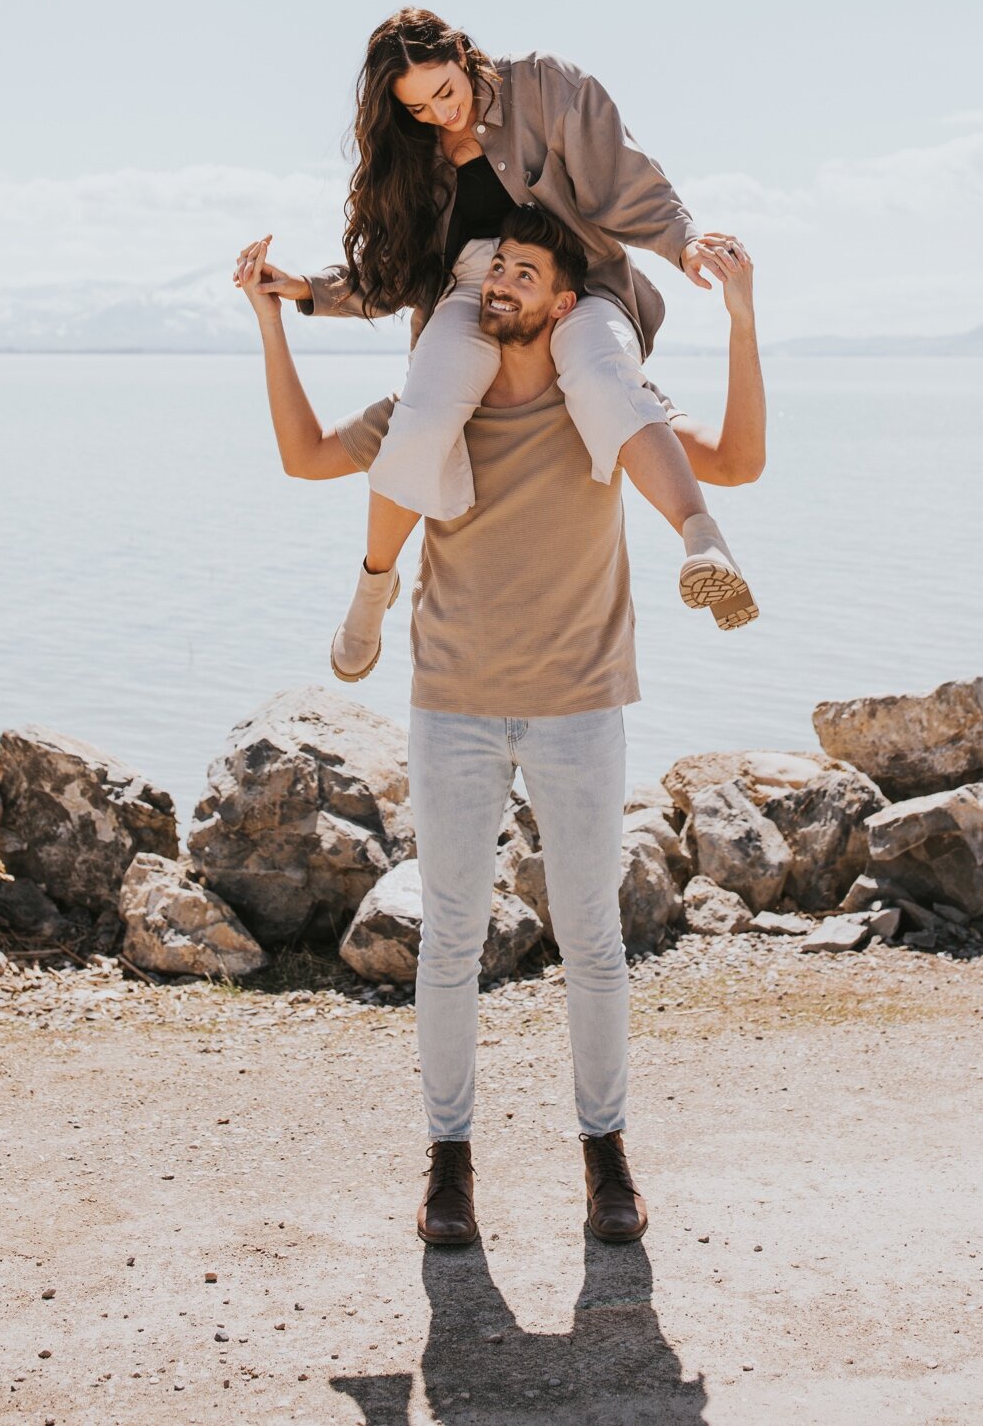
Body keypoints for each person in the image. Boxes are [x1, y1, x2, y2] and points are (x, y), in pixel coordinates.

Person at [234, 202, 766, 1247]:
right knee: (450, 940)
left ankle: (606, 1157)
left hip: (580, 704)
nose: (502, 280)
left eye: (525, 269)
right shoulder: (431, 406)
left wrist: (744, 317)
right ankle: (448, 1167)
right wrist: (272, 320)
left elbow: (736, 459)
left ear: (566, 304)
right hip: (455, 704)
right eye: (494, 268)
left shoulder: (604, 405)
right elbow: (301, 456)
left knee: (596, 941)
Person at [240, 8, 757, 682]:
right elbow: (396, 273)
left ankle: (704, 545)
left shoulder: (546, 86)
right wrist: (304, 288)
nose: (440, 115)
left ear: (464, 52)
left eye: (446, 92)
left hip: (576, 281)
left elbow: (625, 179)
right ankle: (373, 589)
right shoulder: (415, 154)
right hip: (468, 291)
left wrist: (683, 242)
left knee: (603, 379)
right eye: (419, 107)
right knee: (424, 410)